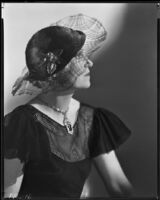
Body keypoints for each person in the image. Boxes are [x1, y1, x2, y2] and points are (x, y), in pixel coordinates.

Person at [4, 14, 133, 199]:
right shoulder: (21, 124)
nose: (90, 62)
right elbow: (9, 195)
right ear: (56, 69)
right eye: (80, 57)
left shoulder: (92, 119)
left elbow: (120, 187)